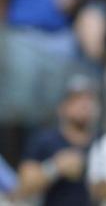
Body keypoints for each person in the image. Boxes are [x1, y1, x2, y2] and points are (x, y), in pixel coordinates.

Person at [16, 74, 99, 206]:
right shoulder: (45, 140)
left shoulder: (103, 141)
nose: (85, 105)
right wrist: (55, 167)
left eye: (89, 100)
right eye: (77, 100)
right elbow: (23, 187)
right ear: (62, 108)